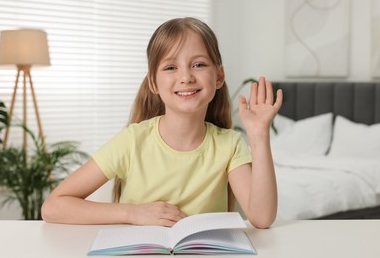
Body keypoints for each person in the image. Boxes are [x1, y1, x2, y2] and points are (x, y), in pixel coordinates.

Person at [41, 17, 283, 229]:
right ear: (154, 83)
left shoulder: (229, 144)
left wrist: (259, 134)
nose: (186, 77)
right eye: (170, 67)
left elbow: (261, 218)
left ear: (218, 76)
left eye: (198, 64)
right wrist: (132, 213)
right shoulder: (133, 140)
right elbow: (53, 207)